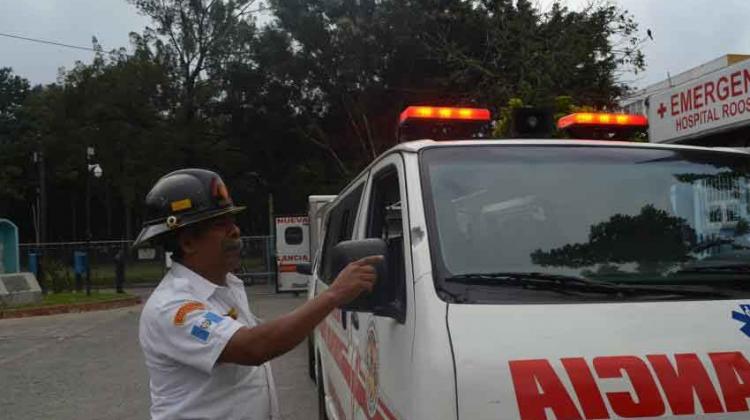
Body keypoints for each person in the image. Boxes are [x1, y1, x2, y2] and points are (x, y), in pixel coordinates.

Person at [134, 168, 381, 420]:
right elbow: (254, 347)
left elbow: (254, 336)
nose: (235, 231)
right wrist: (333, 294)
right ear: (187, 243)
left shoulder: (226, 285)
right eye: (221, 225)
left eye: (233, 221)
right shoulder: (173, 308)